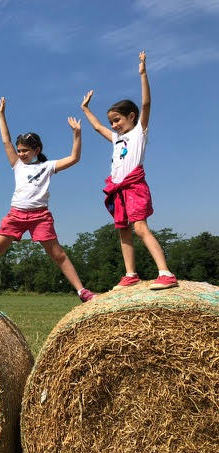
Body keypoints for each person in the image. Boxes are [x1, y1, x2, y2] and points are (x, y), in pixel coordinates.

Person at [0, 97, 95, 302]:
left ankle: (82, 291)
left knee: (58, 255)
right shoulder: (17, 165)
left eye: (25, 150)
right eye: (19, 150)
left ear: (36, 151)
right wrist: (1, 115)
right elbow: (5, 141)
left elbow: (74, 158)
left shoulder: (47, 167)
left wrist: (77, 134)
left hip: (40, 216)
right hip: (16, 214)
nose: (21, 154)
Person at [80, 51, 178, 290]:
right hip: (118, 189)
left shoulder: (138, 132)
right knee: (123, 230)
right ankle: (130, 274)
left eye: (117, 120)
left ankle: (165, 273)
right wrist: (85, 108)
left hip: (134, 186)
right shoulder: (116, 139)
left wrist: (143, 74)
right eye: (112, 121)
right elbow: (96, 127)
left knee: (140, 228)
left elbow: (146, 103)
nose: (114, 125)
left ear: (131, 117)